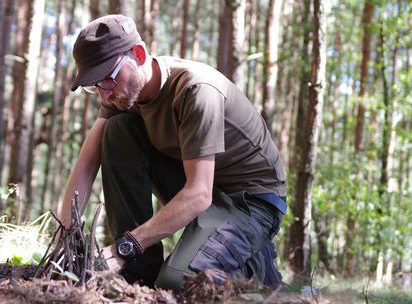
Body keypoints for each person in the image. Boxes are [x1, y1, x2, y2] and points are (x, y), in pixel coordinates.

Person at [59, 14, 287, 292]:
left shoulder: (195, 90)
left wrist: (124, 248)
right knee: (117, 130)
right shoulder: (122, 93)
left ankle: (257, 267)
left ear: (139, 54)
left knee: (178, 283)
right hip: (202, 187)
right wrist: (65, 242)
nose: (103, 95)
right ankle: (139, 272)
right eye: (94, 86)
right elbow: (86, 163)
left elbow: (199, 193)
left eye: (107, 80)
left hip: (251, 203)